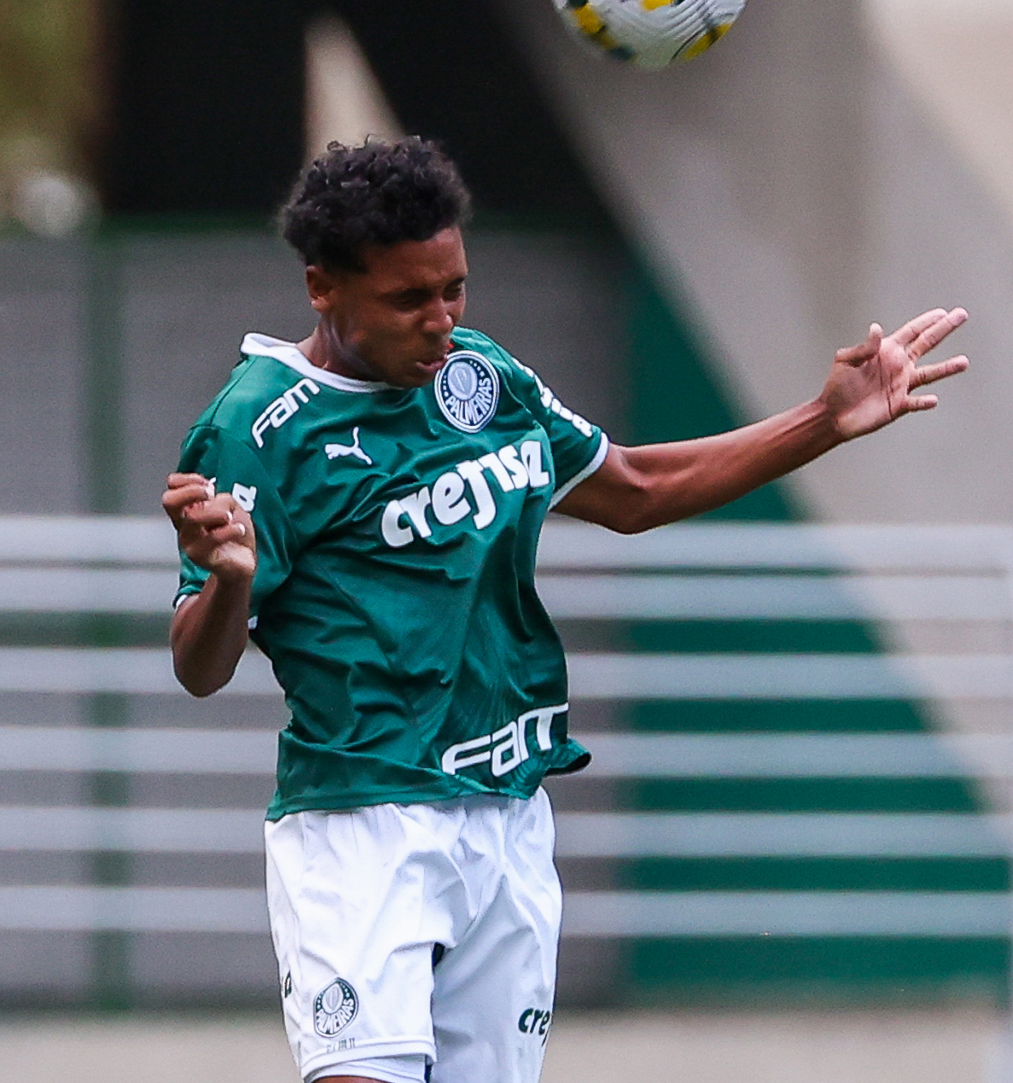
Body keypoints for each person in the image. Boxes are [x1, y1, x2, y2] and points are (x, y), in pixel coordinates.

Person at [161, 137, 968, 1083]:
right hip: (362, 822)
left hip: (507, 815)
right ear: (322, 287)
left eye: (455, 289)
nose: (441, 322)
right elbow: (199, 667)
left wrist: (822, 421)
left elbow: (632, 490)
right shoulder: (259, 427)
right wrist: (230, 579)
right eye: (409, 299)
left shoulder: (480, 379)